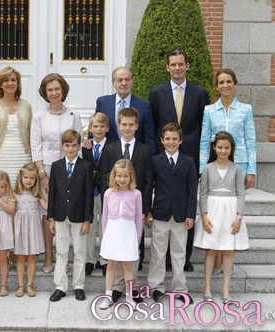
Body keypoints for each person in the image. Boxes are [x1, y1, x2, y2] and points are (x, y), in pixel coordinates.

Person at [149, 49, 210, 272]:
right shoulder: (156, 93)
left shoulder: (200, 92)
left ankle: (185, 257)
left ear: (187, 66)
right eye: (173, 64)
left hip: (190, 157)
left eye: (180, 64)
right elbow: (153, 126)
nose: (177, 68)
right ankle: (164, 257)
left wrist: (202, 160)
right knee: (165, 203)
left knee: (186, 203)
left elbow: (204, 128)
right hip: (164, 159)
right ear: (167, 67)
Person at [199, 68, 256, 275]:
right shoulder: (209, 110)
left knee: (231, 212)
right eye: (221, 82)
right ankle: (216, 262)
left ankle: (224, 259)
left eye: (229, 81)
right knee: (217, 213)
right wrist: (201, 169)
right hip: (215, 167)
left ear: (235, 84)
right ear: (217, 86)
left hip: (237, 166)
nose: (225, 85)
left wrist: (252, 170)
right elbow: (205, 141)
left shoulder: (245, 109)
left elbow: (251, 140)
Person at [98, 107, 153, 303]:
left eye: (131, 124)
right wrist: (114, 191)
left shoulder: (145, 150)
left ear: (136, 126)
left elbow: (147, 181)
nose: (128, 128)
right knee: (113, 260)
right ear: (119, 125)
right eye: (124, 124)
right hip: (114, 213)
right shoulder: (110, 148)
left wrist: (145, 210)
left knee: (131, 258)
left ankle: (132, 290)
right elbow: (105, 175)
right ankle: (115, 290)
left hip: (133, 213)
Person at [31, 73, 83, 274]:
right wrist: (42, 174)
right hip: (47, 169)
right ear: (45, 93)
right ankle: (49, 257)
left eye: (57, 89)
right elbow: (35, 146)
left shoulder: (74, 116)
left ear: (63, 90)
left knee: (67, 212)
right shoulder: (38, 117)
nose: (54, 93)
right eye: (50, 89)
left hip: (69, 170)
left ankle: (65, 257)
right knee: (48, 213)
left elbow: (77, 144)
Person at [145, 122, 197, 306]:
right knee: (158, 254)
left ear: (180, 141)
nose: (171, 142)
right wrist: (148, 211)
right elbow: (149, 186)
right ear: (162, 140)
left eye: (174, 138)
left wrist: (191, 215)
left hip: (181, 216)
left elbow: (192, 191)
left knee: (179, 254)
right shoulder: (155, 161)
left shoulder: (188, 162)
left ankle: (180, 289)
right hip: (160, 213)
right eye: (167, 138)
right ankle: (156, 288)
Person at [194, 131, 249, 303]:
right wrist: (204, 216)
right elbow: (202, 194)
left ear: (231, 149)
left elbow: (241, 194)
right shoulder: (207, 168)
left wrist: (239, 217)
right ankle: (207, 288)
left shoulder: (237, 168)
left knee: (228, 250)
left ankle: (226, 290)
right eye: (220, 147)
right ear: (214, 148)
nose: (223, 150)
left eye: (226, 147)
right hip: (213, 211)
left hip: (231, 212)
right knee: (211, 250)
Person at [48, 130, 94, 302]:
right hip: (60, 216)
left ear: (79, 145)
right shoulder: (56, 166)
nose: (71, 149)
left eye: (74, 145)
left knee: (80, 252)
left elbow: (89, 194)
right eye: (67, 145)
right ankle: (60, 286)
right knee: (61, 252)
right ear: (62, 146)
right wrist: (51, 217)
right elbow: (52, 193)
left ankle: (79, 285)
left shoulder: (86, 167)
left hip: (79, 216)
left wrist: (87, 220)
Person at [98, 159, 142, 310]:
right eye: (119, 176)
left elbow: (138, 218)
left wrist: (137, 238)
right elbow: (104, 216)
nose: (122, 179)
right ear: (114, 176)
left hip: (128, 233)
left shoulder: (136, 194)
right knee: (111, 266)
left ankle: (130, 297)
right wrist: (105, 235)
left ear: (131, 177)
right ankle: (108, 296)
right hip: (112, 232)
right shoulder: (108, 193)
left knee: (128, 267)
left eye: (125, 176)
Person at [0, 66, 33, 188]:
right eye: (6, 80)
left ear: (18, 84)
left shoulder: (26, 105)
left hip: (22, 155)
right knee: (1, 191)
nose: (10, 83)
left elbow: (30, 132)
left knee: (21, 191)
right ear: (0, 84)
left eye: (13, 80)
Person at [94, 66, 156, 153]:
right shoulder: (103, 103)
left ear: (132, 81)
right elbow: (96, 122)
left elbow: (149, 136)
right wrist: (90, 139)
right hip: (109, 154)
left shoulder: (144, 105)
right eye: (120, 80)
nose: (124, 83)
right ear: (113, 83)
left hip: (135, 155)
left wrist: (150, 158)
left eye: (127, 79)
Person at [13, 163, 47, 297]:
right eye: (26, 177)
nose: (28, 180)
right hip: (20, 229)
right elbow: (11, 213)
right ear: (21, 178)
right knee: (20, 257)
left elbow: (47, 207)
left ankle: (29, 285)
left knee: (32, 257)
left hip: (33, 229)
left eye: (32, 178)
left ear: (36, 180)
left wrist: (49, 191)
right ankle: (20, 285)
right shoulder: (15, 194)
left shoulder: (37, 194)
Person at [82, 112, 109, 276]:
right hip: (90, 191)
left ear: (107, 128)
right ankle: (89, 260)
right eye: (95, 126)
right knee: (91, 226)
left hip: (107, 192)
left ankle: (105, 259)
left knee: (105, 227)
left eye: (102, 126)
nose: (98, 129)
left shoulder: (113, 146)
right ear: (90, 128)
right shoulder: (85, 148)